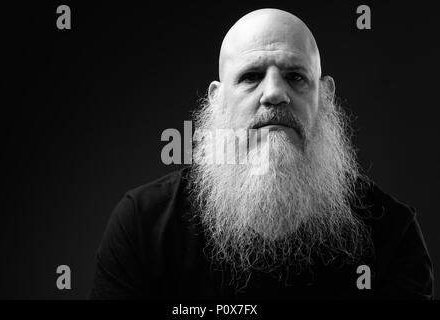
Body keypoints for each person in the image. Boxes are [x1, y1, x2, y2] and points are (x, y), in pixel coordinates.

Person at [89, 8, 433, 299]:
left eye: (295, 76)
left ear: (324, 96)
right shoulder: (142, 225)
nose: (274, 93)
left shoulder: (392, 234)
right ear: (218, 99)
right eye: (251, 76)